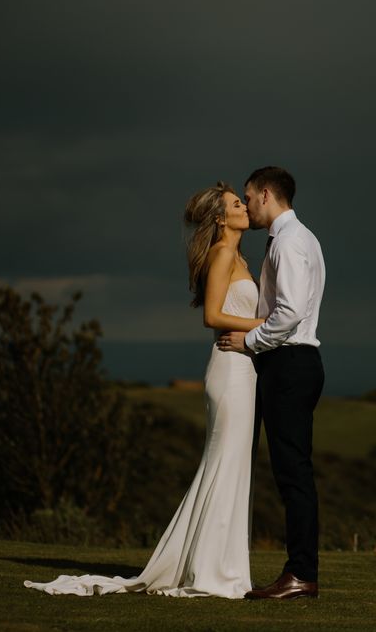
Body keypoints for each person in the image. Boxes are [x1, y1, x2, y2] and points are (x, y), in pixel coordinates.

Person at [24, 182, 264, 598]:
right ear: (221, 218)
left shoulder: (238, 255)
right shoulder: (223, 253)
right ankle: (213, 571)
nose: (245, 206)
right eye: (236, 203)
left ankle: (219, 566)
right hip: (230, 370)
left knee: (231, 466)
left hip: (245, 369)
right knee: (224, 464)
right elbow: (212, 316)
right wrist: (266, 326)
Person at [217, 166, 325, 600]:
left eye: (248, 196)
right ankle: (300, 571)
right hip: (293, 363)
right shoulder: (298, 238)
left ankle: (300, 574)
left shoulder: (292, 242)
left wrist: (251, 341)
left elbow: (291, 311)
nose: (248, 205)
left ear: (265, 194)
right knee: (291, 472)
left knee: (293, 474)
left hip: (290, 363)